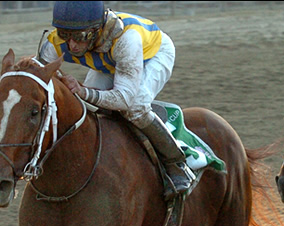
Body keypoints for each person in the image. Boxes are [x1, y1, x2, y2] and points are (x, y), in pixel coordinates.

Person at [38, 1, 193, 201]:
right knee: (88, 107)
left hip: (153, 55)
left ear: (96, 30)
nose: (71, 45)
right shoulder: (55, 42)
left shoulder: (126, 38)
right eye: (64, 35)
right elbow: (40, 79)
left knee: (135, 107)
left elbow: (124, 100)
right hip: (110, 60)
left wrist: (83, 91)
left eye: (79, 37)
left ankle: (176, 163)